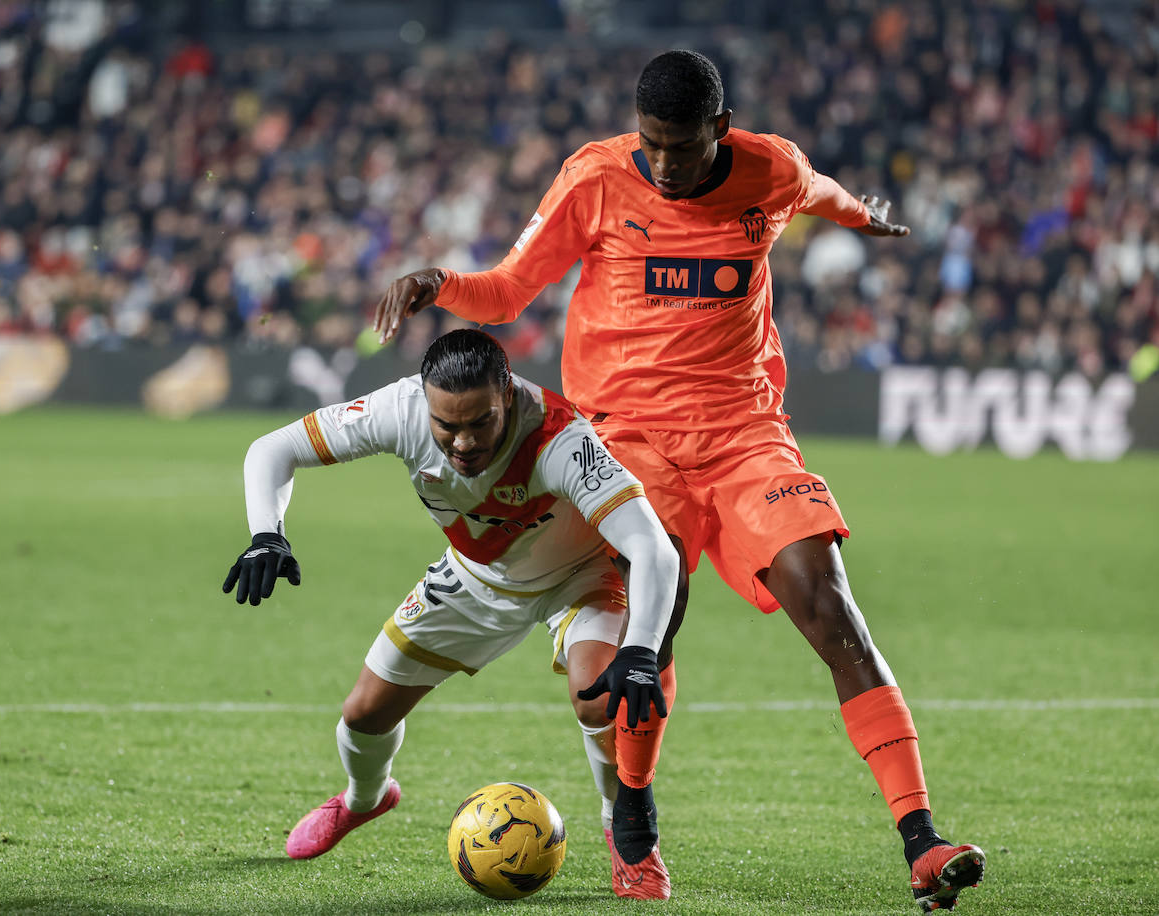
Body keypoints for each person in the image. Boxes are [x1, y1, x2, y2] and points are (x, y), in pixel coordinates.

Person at [372, 50, 986, 913]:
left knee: (830, 602)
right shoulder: (594, 178)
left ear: (720, 130)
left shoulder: (770, 170)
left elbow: (824, 193)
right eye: (651, 144)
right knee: (653, 628)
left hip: (744, 436)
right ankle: (634, 817)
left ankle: (922, 840)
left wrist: (865, 219)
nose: (663, 164)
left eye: (681, 146)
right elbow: (509, 289)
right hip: (626, 441)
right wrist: (442, 284)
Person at [223, 329, 680, 899]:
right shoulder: (399, 409)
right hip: (474, 574)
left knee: (599, 692)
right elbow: (271, 449)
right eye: (448, 426)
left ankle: (626, 836)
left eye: (479, 423)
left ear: (507, 396)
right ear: (424, 401)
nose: (462, 442)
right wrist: (268, 535)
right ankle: (365, 800)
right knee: (364, 714)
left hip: (582, 577)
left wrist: (639, 649)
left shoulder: (561, 438)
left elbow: (652, 546)